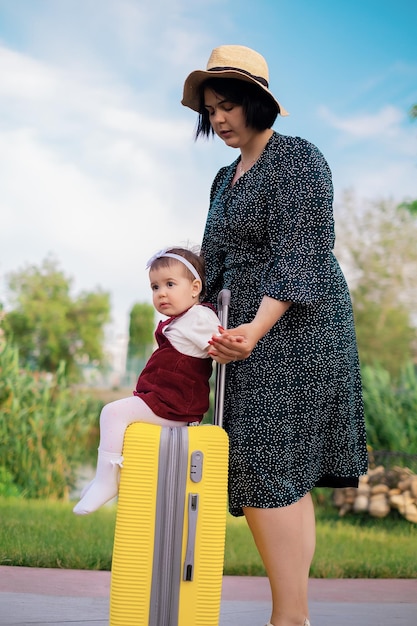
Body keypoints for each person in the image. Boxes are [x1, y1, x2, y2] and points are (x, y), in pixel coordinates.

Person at [181, 45, 368, 626]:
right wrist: (191, 322)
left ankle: (288, 617)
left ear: (259, 103)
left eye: (229, 106)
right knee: (277, 470)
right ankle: (295, 616)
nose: (218, 119)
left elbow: (303, 252)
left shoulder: (300, 160)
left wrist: (256, 330)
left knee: (265, 466)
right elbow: (212, 259)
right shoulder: (223, 177)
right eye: (211, 110)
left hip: (298, 330)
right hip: (242, 335)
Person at [73, 247, 221, 515]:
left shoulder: (199, 317)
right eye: (154, 287)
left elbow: (219, 345)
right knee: (120, 418)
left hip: (174, 405)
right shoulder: (181, 321)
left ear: (195, 287)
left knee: (112, 412)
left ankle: (107, 481)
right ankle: (103, 477)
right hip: (164, 401)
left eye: (170, 284)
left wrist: (225, 344)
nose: (161, 293)